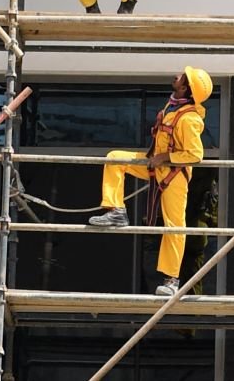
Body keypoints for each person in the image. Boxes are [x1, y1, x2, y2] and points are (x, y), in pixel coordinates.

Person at [88, 66, 212, 297]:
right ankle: (116, 211)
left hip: (174, 175)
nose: (177, 76)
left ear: (186, 88)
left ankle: (171, 280)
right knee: (115, 158)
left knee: (175, 226)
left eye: (182, 77)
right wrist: (158, 158)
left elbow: (195, 155)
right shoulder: (173, 107)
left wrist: (164, 157)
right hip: (156, 165)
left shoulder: (189, 119)